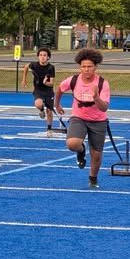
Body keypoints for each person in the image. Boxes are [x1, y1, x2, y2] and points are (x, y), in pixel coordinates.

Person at [54, 48, 110, 188]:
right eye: (83, 66)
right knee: (72, 144)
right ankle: (81, 150)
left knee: (96, 154)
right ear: (80, 67)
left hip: (98, 120)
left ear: (95, 67)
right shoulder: (73, 80)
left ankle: (93, 178)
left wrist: (96, 97)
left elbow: (104, 108)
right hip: (78, 117)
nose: (86, 69)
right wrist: (57, 105)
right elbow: (60, 89)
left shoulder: (103, 83)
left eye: (90, 66)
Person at [21, 47, 56, 135]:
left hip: (48, 91)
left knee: (49, 111)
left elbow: (51, 84)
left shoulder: (51, 67)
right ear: (38, 57)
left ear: (48, 57)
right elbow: (25, 67)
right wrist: (24, 79)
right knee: (38, 104)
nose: (42, 57)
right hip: (38, 90)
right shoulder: (34, 65)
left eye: (44, 55)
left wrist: (45, 82)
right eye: (40, 55)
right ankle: (41, 110)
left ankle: (49, 129)